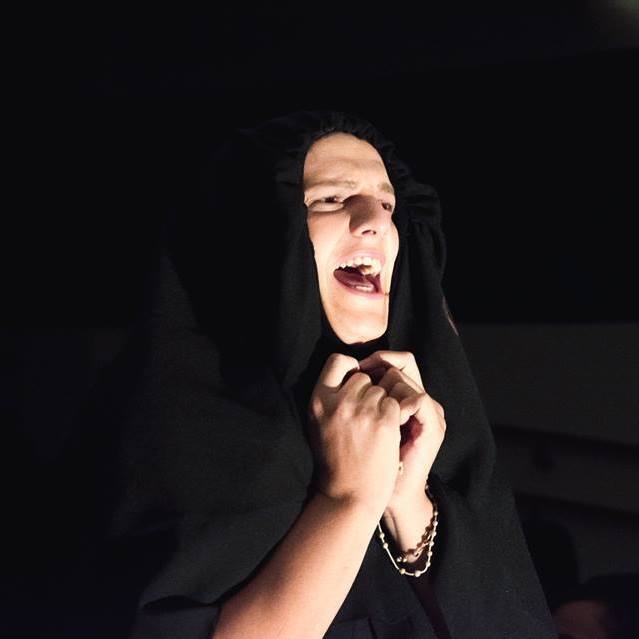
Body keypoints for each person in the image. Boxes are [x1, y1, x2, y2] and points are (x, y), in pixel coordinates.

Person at [58, 111, 556, 638]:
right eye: (331, 199)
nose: (375, 221)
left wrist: (406, 500)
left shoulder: (421, 421)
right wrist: (349, 501)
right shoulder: (172, 428)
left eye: (388, 205)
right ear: (255, 239)